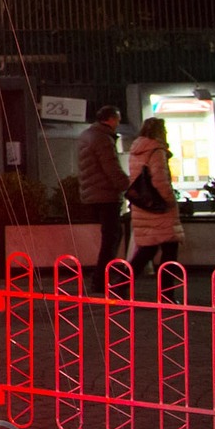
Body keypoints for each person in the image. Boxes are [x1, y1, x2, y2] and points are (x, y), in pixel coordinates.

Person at [76, 105, 132, 293]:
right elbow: (111, 167)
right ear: (110, 119)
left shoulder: (87, 135)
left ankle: (101, 277)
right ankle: (100, 278)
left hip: (93, 193)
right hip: (105, 194)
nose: (118, 123)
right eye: (117, 119)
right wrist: (127, 185)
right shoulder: (103, 138)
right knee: (112, 236)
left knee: (111, 235)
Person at [127, 116, 183, 297]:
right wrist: (170, 200)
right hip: (160, 207)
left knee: (147, 249)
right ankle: (167, 293)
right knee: (169, 249)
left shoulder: (136, 150)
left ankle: (121, 284)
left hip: (143, 204)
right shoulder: (156, 150)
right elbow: (160, 181)